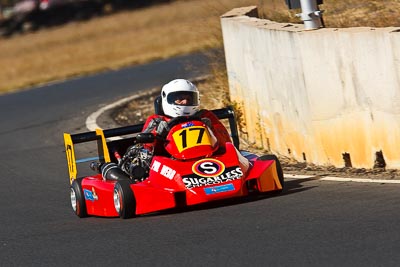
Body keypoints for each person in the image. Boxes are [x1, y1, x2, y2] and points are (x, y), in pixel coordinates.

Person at [102, 79, 250, 181]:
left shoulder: (205, 116)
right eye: (179, 99)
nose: (185, 102)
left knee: (252, 159)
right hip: (172, 166)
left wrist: (210, 129)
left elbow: (226, 143)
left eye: (189, 98)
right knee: (139, 172)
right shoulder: (157, 120)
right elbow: (144, 157)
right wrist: (157, 134)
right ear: (167, 100)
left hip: (210, 159)